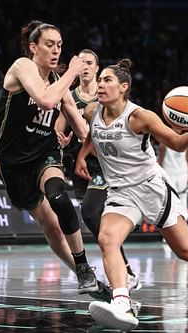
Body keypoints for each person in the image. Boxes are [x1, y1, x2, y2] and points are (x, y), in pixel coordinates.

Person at [76, 59, 188, 331]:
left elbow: (177, 144)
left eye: (107, 80)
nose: (100, 84)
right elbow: (93, 135)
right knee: (107, 238)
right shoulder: (90, 111)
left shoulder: (140, 117)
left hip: (152, 189)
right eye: (100, 79)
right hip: (121, 193)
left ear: (124, 87)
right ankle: (122, 302)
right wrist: (83, 154)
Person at [0, 21, 100, 296]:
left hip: (45, 153)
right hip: (14, 163)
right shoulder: (22, 67)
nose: (56, 51)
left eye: (59, 45)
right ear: (33, 47)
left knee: (59, 198)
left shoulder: (59, 82)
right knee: (51, 227)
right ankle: (80, 269)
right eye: (49, 44)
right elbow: (44, 99)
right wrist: (72, 74)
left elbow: (82, 130)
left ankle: (84, 269)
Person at [57, 49, 140, 291]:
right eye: (80, 62)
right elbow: (59, 128)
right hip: (79, 165)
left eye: (89, 63)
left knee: (92, 212)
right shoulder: (69, 96)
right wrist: (61, 141)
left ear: (96, 69)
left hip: (104, 165)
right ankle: (124, 269)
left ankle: (122, 270)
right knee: (96, 218)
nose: (84, 66)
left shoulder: (106, 95)